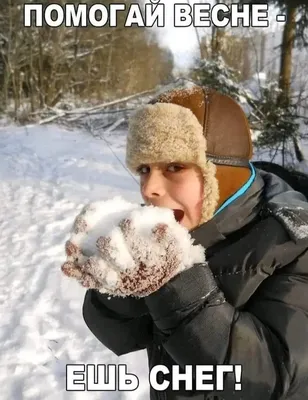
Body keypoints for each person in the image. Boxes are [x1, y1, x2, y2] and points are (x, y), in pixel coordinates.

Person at [74, 86, 308, 399]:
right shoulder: (172, 224)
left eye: (174, 167)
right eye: (144, 169)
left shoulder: (295, 244)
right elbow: (126, 336)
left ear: (221, 175)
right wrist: (115, 284)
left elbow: (273, 379)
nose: (149, 189)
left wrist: (175, 282)